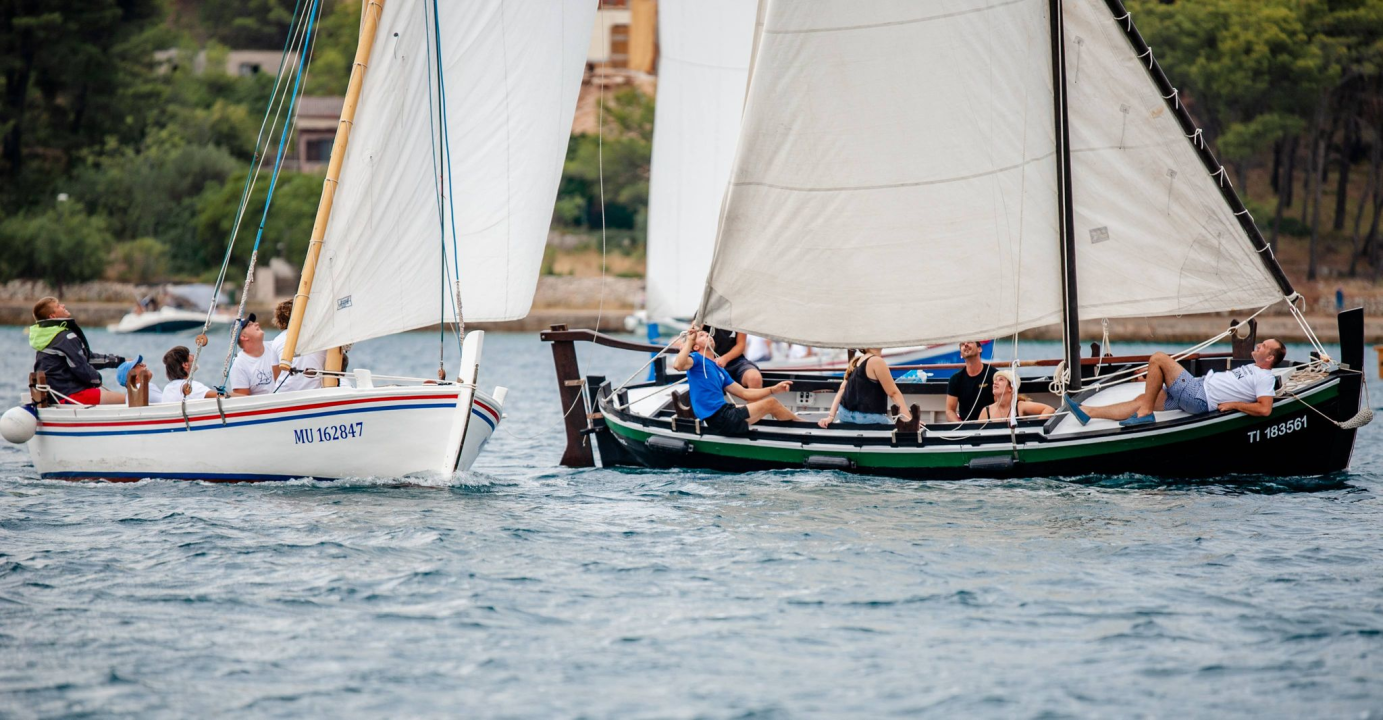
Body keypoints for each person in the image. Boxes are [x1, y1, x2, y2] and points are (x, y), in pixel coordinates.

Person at [1065, 340, 1287, 427]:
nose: (1258, 344)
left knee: (1158, 359)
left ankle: (1145, 416)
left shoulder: (1264, 378)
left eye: (1264, 346)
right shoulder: (1255, 368)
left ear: (1269, 358)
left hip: (1199, 396)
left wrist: (1234, 405)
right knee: (1143, 400)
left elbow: (1264, 408)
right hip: (1198, 389)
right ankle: (1088, 412)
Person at [672, 328, 801, 435]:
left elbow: (745, 393)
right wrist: (689, 341)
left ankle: (798, 428)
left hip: (723, 413)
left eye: (707, 334)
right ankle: (804, 426)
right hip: (719, 419)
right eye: (702, 335)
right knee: (771, 403)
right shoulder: (696, 359)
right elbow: (678, 365)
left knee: (768, 403)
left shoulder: (719, 369)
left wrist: (773, 389)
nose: (707, 335)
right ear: (695, 346)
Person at [28, 296, 128, 405]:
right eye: (58, 306)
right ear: (53, 316)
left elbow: (85, 359)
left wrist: (120, 361)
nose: (63, 305)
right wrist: (97, 379)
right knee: (127, 400)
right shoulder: (64, 337)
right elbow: (81, 366)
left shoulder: (46, 337)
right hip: (70, 395)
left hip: (54, 395)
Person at [818, 349, 913, 427]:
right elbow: (893, 393)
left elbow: (842, 389)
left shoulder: (856, 361)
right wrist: (909, 419)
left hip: (844, 414)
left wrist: (831, 416)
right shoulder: (877, 361)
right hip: (867, 418)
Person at [268, 300, 326, 392]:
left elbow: (277, 376)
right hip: (314, 392)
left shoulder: (277, 340)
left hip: (283, 392)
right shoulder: (320, 336)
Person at [229, 314, 281, 396]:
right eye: (250, 325)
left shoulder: (275, 346)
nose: (257, 323)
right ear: (243, 337)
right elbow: (241, 398)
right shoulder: (238, 365)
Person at [976, 370, 1054, 422]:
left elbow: (1049, 409)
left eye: (1001, 380)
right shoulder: (986, 411)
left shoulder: (1020, 406)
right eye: (995, 380)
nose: (995, 383)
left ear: (1011, 388)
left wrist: (1036, 427)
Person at [946, 340, 995, 422]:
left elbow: (1000, 406)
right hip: (965, 428)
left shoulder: (993, 375)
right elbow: (949, 411)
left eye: (970, 342)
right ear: (961, 354)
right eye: (962, 344)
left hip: (988, 426)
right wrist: (960, 427)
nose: (965, 344)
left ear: (980, 349)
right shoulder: (955, 379)